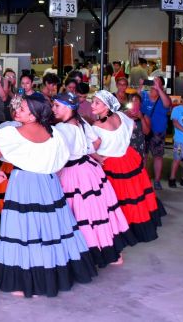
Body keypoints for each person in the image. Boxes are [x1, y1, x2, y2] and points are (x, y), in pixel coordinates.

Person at [0, 95, 96, 297]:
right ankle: (48, 276)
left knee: (22, 231)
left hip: (24, 184)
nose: (18, 111)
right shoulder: (54, 133)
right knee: (49, 229)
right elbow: (61, 160)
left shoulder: (13, 132)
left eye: (24, 109)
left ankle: (22, 281)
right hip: (48, 184)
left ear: (34, 115)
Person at [51, 92, 135, 268]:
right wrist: (84, 150)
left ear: (67, 107)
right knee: (97, 214)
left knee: (80, 215)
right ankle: (111, 253)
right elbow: (96, 142)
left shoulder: (61, 129)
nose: (53, 109)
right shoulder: (81, 122)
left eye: (57, 105)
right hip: (89, 169)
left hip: (72, 172)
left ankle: (85, 256)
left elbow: (58, 156)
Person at [90, 90, 165, 243]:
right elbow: (131, 129)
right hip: (128, 157)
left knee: (117, 199)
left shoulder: (97, 125)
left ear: (107, 106)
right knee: (134, 194)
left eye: (97, 103)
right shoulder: (122, 116)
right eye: (93, 101)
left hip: (111, 163)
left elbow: (91, 148)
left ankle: (122, 230)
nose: (92, 105)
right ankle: (139, 226)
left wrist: (105, 153)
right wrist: (119, 145)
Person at [141, 77, 171, 190]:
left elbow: (167, 105)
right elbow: (135, 101)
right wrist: (140, 86)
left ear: (162, 85)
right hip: (143, 130)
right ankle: (142, 179)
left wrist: (159, 89)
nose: (153, 82)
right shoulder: (144, 94)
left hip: (158, 131)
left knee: (158, 157)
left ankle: (157, 180)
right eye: (153, 81)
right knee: (143, 156)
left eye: (157, 81)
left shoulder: (163, 97)